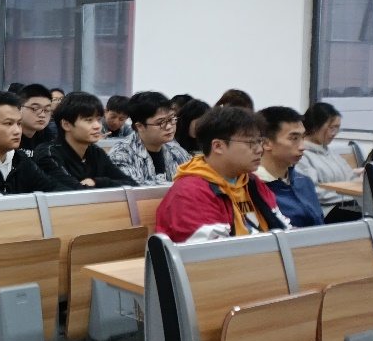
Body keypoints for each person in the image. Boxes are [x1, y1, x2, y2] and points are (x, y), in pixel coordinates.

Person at [156, 107, 290, 243]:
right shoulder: (190, 192)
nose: (260, 149)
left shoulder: (251, 181)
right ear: (218, 146)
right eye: (251, 143)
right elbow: (215, 252)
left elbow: (284, 229)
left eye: (259, 141)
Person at [34, 92, 137, 190]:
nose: (97, 126)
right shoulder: (48, 154)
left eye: (98, 119)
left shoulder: (95, 152)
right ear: (66, 124)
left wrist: (97, 182)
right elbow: (75, 193)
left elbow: (132, 185)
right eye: (89, 120)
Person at [255, 106, 324, 228]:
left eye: (302, 138)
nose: (303, 147)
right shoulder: (252, 188)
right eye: (294, 138)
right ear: (266, 143)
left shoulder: (304, 181)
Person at [296, 102, 362, 223]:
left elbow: (350, 178)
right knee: (368, 215)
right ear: (315, 127)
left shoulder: (330, 152)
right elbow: (313, 191)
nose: (334, 133)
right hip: (325, 210)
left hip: (345, 203)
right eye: (332, 128)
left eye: (337, 128)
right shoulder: (301, 155)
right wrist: (350, 195)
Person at [107, 91, 191, 185]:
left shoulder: (175, 149)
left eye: (171, 119)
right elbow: (137, 190)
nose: (169, 126)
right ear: (139, 126)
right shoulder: (121, 155)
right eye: (160, 122)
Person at [17, 84, 56, 157]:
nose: (42, 115)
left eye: (47, 110)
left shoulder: (47, 136)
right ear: (19, 108)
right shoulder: (11, 135)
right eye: (35, 109)